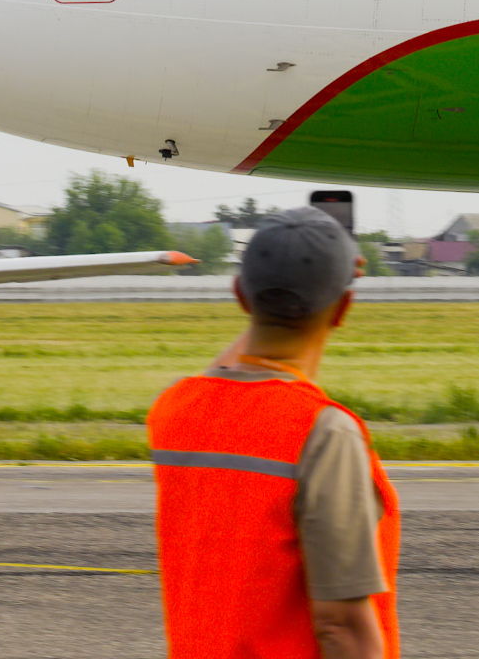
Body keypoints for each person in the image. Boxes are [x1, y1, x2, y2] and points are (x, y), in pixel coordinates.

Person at [148, 207, 398, 659]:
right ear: (342, 310)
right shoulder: (324, 433)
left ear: (240, 295)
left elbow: (229, 371)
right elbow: (340, 626)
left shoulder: (175, 411)